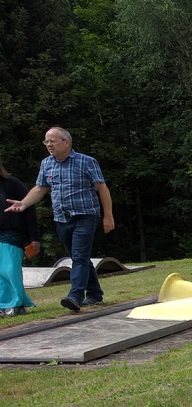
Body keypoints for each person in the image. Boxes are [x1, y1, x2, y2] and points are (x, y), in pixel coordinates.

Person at [5, 127, 114, 312]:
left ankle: (75, 296)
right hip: (62, 219)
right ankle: (95, 294)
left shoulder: (86, 162)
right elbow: (40, 188)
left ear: (66, 142)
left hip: (85, 216)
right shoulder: (46, 164)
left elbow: (102, 189)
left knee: (79, 256)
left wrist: (108, 216)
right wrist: (23, 204)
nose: (49, 145)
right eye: (46, 142)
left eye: (52, 141)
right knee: (80, 257)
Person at [0, 158, 40, 317]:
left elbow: (29, 209)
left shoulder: (11, 183)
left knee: (9, 269)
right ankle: (12, 304)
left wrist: (34, 237)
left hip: (12, 234)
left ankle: (15, 303)